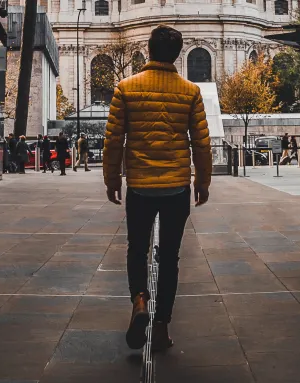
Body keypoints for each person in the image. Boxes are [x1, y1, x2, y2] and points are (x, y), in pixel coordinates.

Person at [103, 25, 212, 352]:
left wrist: (112, 180)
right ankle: (162, 325)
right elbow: (202, 144)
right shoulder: (190, 91)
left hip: (140, 185)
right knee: (169, 257)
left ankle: (139, 301)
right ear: (178, 54)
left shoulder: (126, 87)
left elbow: (113, 141)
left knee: (137, 249)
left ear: (148, 50)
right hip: (176, 187)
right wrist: (201, 183)